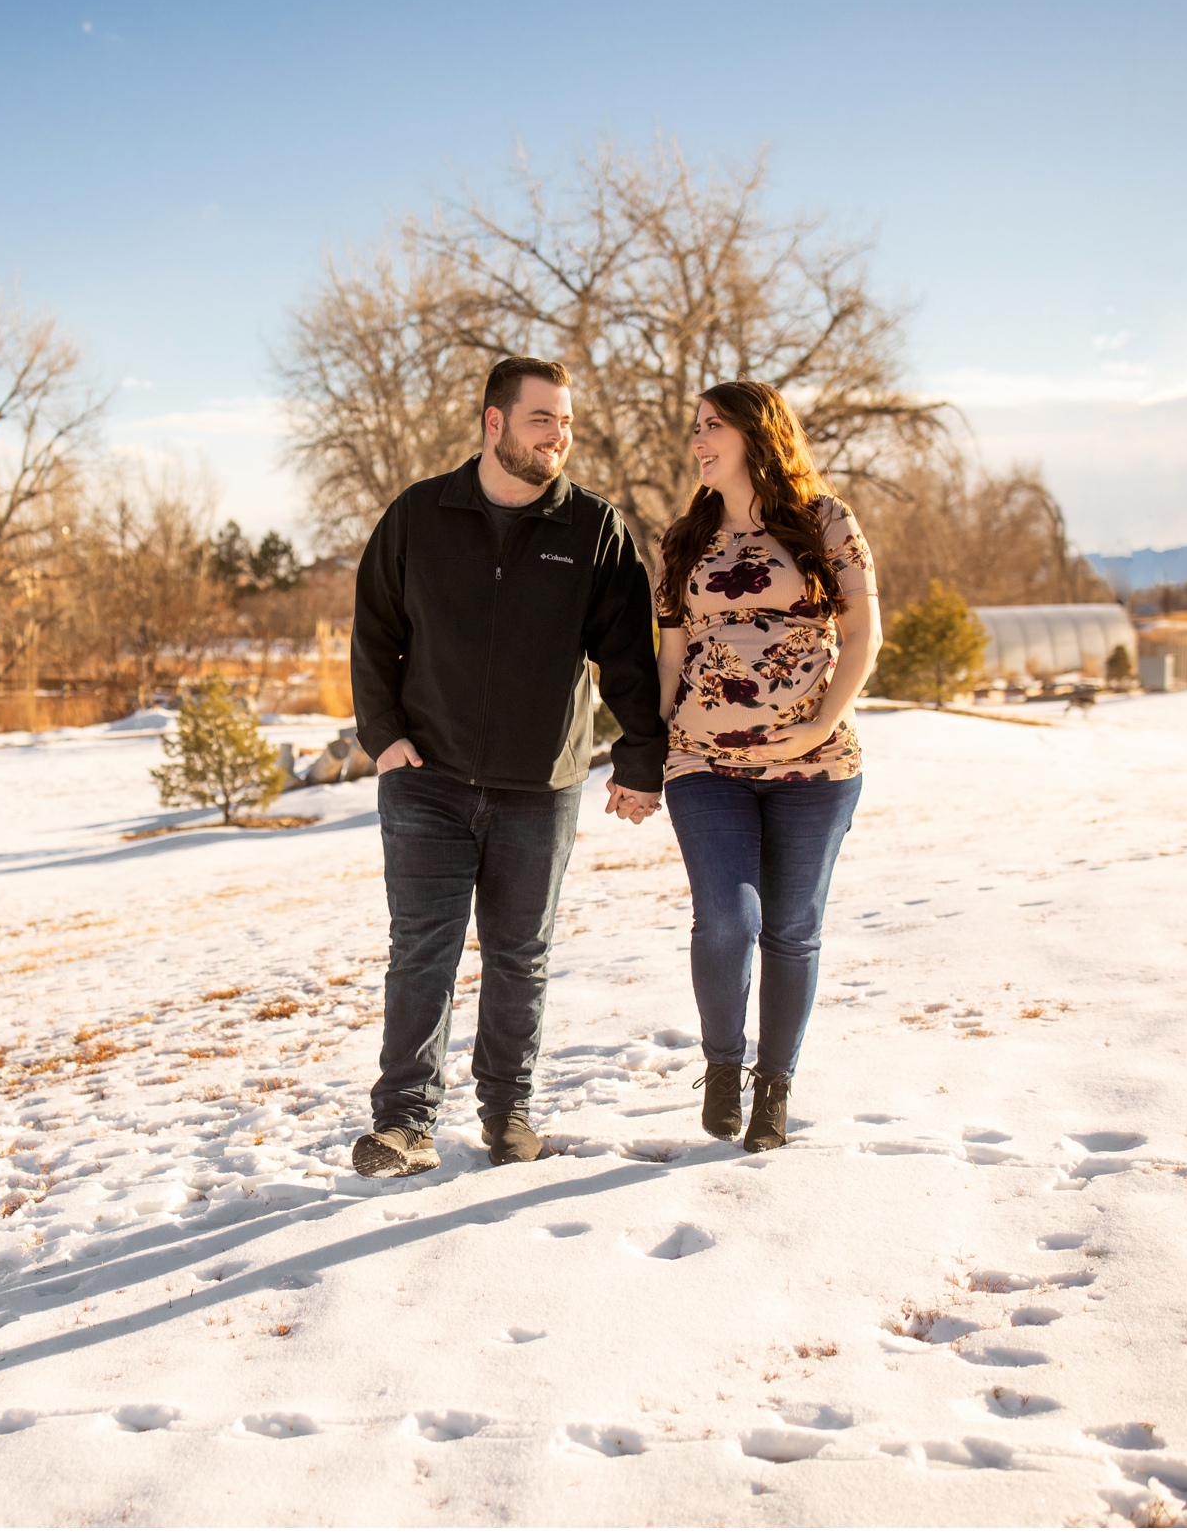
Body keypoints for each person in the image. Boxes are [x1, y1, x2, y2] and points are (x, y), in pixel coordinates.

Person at [348, 356, 667, 1178]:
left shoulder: (593, 530)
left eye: (565, 422)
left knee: (521, 955)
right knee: (422, 949)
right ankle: (405, 1124)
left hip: (541, 786)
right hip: (427, 778)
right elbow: (374, 628)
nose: (559, 436)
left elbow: (629, 657)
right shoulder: (420, 514)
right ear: (494, 423)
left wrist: (639, 757)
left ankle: (508, 1116)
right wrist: (382, 734)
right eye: (542, 420)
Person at [654, 380, 882, 1153]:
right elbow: (673, 654)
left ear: (757, 432)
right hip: (704, 761)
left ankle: (774, 1087)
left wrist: (819, 721)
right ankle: (724, 1063)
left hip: (815, 765)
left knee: (790, 928)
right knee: (729, 918)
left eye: (712, 425)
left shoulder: (823, 520)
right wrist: (647, 749)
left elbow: (862, 635)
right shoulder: (686, 536)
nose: (697, 439)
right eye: (696, 427)